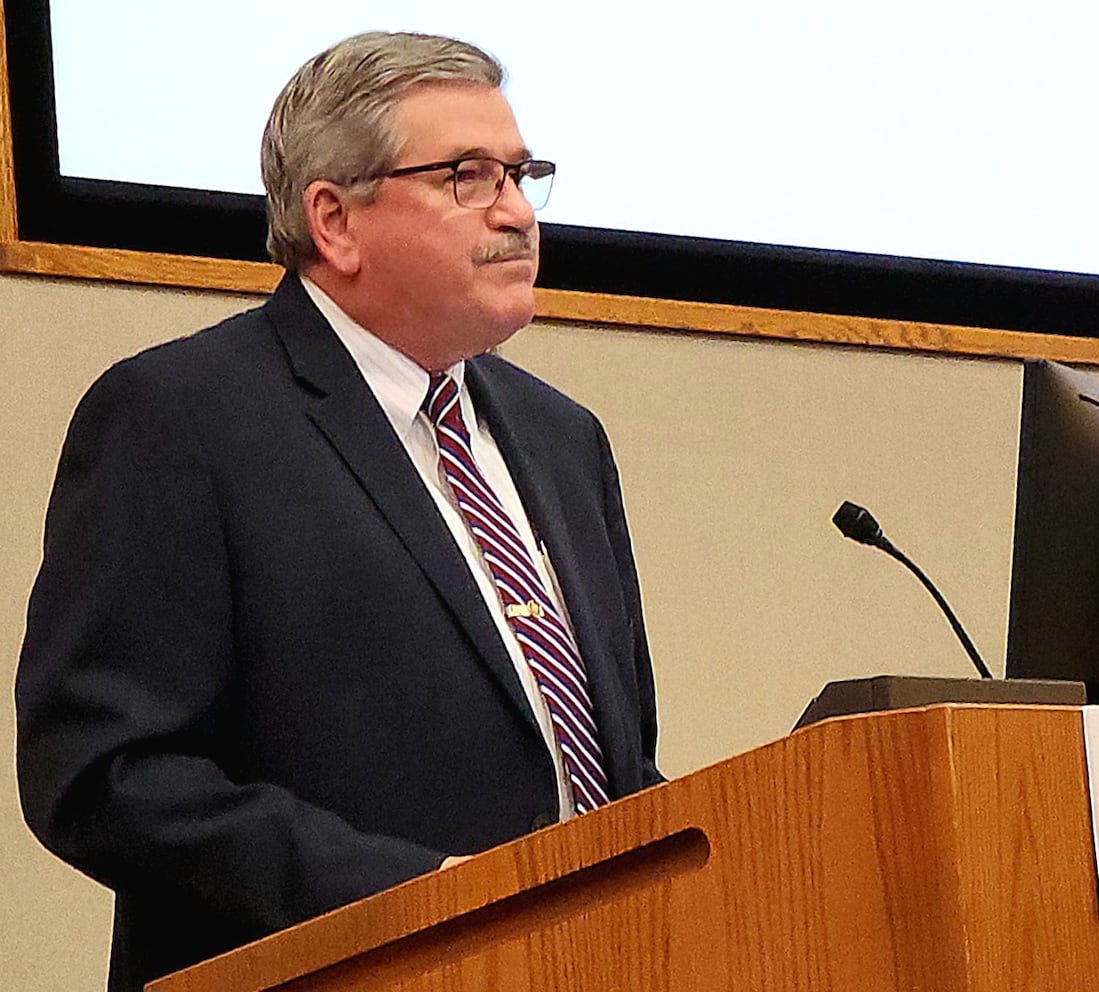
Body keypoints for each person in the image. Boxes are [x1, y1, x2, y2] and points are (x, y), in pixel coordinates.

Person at [15, 32, 663, 992]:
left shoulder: (566, 441)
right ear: (335, 220)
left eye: (524, 175)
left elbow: (609, 767)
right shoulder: (182, 418)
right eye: (468, 176)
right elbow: (107, 773)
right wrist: (418, 896)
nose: (519, 212)